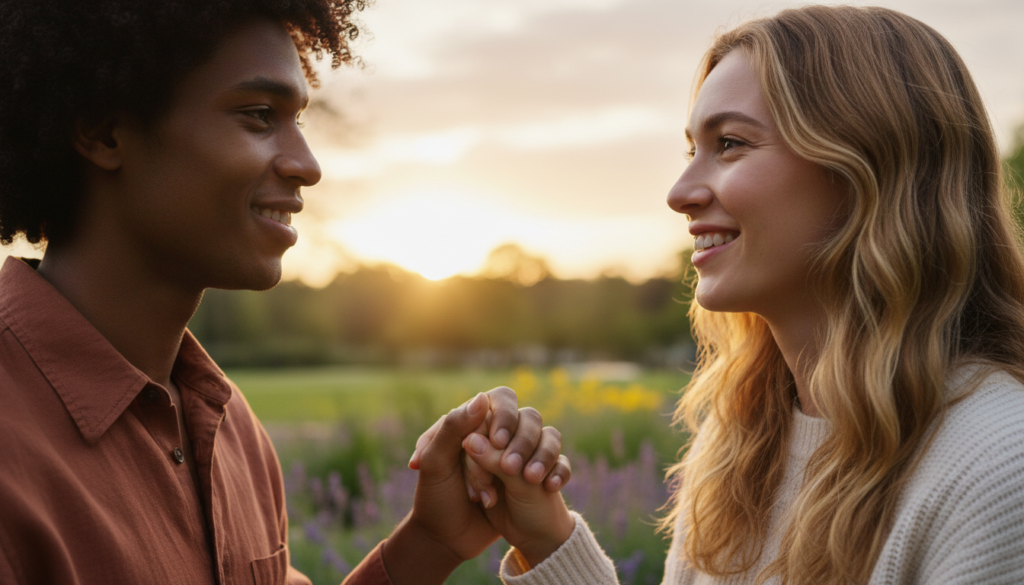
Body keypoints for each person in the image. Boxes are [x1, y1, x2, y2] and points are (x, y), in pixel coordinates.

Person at [0, 1, 571, 584]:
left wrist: (433, 540)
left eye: (299, 120)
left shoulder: (229, 426)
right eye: (257, 115)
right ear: (102, 131)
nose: (307, 164)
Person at [462, 5, 1024, 584]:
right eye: (692, 151)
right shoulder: (742, 443)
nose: (680, 193)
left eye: (730, 144)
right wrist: (545, 539)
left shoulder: (998, 466)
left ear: (867, 169)